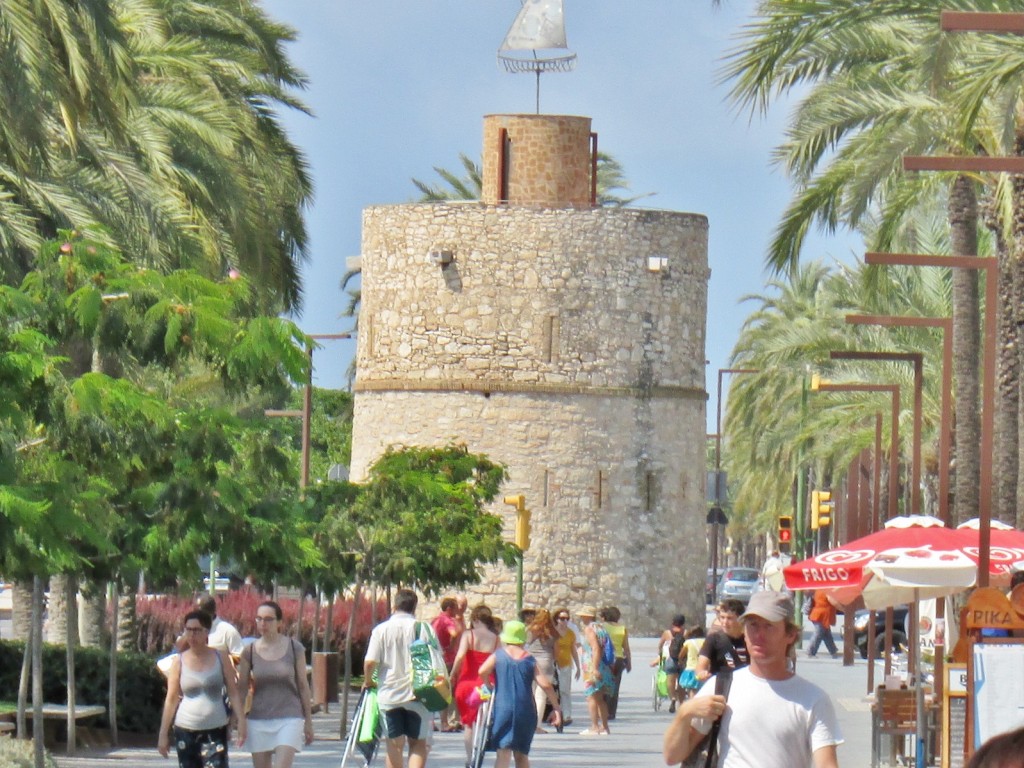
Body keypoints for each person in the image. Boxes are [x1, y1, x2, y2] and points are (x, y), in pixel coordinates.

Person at [663, 591, 842, 768]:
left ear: (790, 635)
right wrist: (685, 712)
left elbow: (827, 764)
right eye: (753, 625)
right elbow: (672, 756)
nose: (759, 635)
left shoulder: (813, 699)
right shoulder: (721, 687)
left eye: (769, 626)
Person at [363, 588, 442, 768]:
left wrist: (369, 681)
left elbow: (370, 662)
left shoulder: (381, 630)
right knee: (418, 743)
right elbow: (437, 658)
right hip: (418, 694)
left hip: (389, 695)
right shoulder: (425, 629)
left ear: (394, 606)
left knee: (394, 745)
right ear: (414, 607)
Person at [159, 609, 247, 767]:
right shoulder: (178, 661)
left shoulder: (221, 657)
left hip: (215, 728)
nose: (192, 635)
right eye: (188, 630)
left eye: (197, 630)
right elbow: (171, 699)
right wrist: (163, 733)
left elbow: (233, 692)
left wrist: (240, 720)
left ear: (207, 632)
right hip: (185, 729)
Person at [236, 601, 314, 768]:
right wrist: (238, 719)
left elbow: (303, 685)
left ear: (279, 622)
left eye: (268, 619)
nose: (263, 623)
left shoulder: (295, 648)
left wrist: (308, 720)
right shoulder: (249, 651)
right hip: (258, 718)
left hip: (289, 717)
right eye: (259, 619)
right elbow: (242, 688)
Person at [478, 620, 561, 768]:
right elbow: (546, 685)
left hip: (502, 708)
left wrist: (489, 686)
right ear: (523, 639)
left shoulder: (498, 655)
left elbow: (482, 671)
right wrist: (556, 708)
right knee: (521, 754)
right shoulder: (529, 659)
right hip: (525, 709)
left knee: (503, 753)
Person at [450, 604, 499, 766]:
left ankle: (470, 758)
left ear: (475, 619)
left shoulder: (468, 635)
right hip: (486, 683)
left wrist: (453, 674)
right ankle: (481, 747)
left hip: (467, 682)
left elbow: (460, 656)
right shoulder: (496, 639)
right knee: (483, 720)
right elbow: (499, 661)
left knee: (468, 724)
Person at [576, 605, 613, 736]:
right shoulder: (601, 628)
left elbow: (595, 648)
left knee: (591, 697)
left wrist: (594, 668)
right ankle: (605, 727)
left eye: (582, 615)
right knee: (600, 698)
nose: (581, 617)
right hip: (604, 665)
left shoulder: (589, 629)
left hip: (592, 665)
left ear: (587, 616)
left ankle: (594, 726)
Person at [695, 599, 749, 682]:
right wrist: (701, 673)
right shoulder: (714, 639)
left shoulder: (749, 639)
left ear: (740, 619)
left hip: (745, 684)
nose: (725, 622)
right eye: (722, 617)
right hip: (722, 686)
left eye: (729, 618)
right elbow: (701, 664)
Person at [174, 595, 244, 657]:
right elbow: (179, 650)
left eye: (199, 612)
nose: (196, 614)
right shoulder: (190, 629)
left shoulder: (228, 631)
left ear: (211, 612)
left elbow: (239, 657)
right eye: (194, 611)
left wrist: (222, 661)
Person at [432, 596, 463, 732]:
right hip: (447, 658)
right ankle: (444, 722)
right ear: (449, 608)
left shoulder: (435, 620)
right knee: (446, 690)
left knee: (434, 689)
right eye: (455, 608)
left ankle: (431, 722)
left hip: (435, 657)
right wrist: (451, 646)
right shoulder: (447, 620)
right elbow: (454, 633)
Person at [524, 608, 558, 733]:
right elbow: (556, 652)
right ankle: (537, 725)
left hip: (531, 661)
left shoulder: (531, 629)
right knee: (541, 695)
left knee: (530, 693)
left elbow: (525, 644)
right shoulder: (553, 631)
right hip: (547, 662)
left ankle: (528, 722)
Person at [600, 606, 631, 720]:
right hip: (618, 658)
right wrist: (629, 663)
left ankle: (602, 710)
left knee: (602, 685)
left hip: (604, 659)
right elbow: (626, 648)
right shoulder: (622, 629)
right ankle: (611, 712)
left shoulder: (601, 627)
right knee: (615, 687)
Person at [552, 607, 580, 726]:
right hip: (553, 664)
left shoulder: (570, 633)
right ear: (557, 619)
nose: (564, 621)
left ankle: (567, 715)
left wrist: (578, 667)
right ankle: (553, 714)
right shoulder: (552, 632)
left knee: (565, 690)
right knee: (553, 691)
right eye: (562, 618)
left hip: (566, 664)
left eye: (567, 619)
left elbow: (573, 650)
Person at [653, 614, 686, 713]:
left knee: (670, 681)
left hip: (671, 659)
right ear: (683, 623)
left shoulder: (667, 633)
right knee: (681, 683)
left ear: (673, 622)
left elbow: (660, 646)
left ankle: (673, 698)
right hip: (683, 660)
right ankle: (681, 703)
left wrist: (660, 655)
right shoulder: (686, 633)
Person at [806, 590, 840, 659]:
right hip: (821, 615)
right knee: (819, 632)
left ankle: (833, 651)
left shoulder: (821, 589)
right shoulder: (826, 590)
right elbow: (833, 601)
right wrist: (844, 609)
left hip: (820, 615)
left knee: (826, 634)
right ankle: (811, 651)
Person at [679, 626, 706, 701]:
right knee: (704, 689)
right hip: (704, 669)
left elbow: (680, 655)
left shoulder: (688, 642)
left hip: (691, 669)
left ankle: (693, 704)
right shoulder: (706, 641)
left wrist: (681, 662)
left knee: (692, 690)